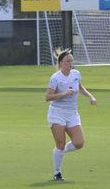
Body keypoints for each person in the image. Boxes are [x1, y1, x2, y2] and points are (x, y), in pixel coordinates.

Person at [45, 49, 97, 182]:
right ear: (61, 63)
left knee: (79, 143)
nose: (70, 64)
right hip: (57, 113)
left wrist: (90, 97)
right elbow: (48, 97)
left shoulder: (76, 74)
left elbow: (80, 87)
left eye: (71, 61)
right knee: (60, 143)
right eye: (68, 61)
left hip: (72, 113)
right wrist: (63, 94)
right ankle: (57, 172)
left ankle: (59, 152)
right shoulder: (55, 77)